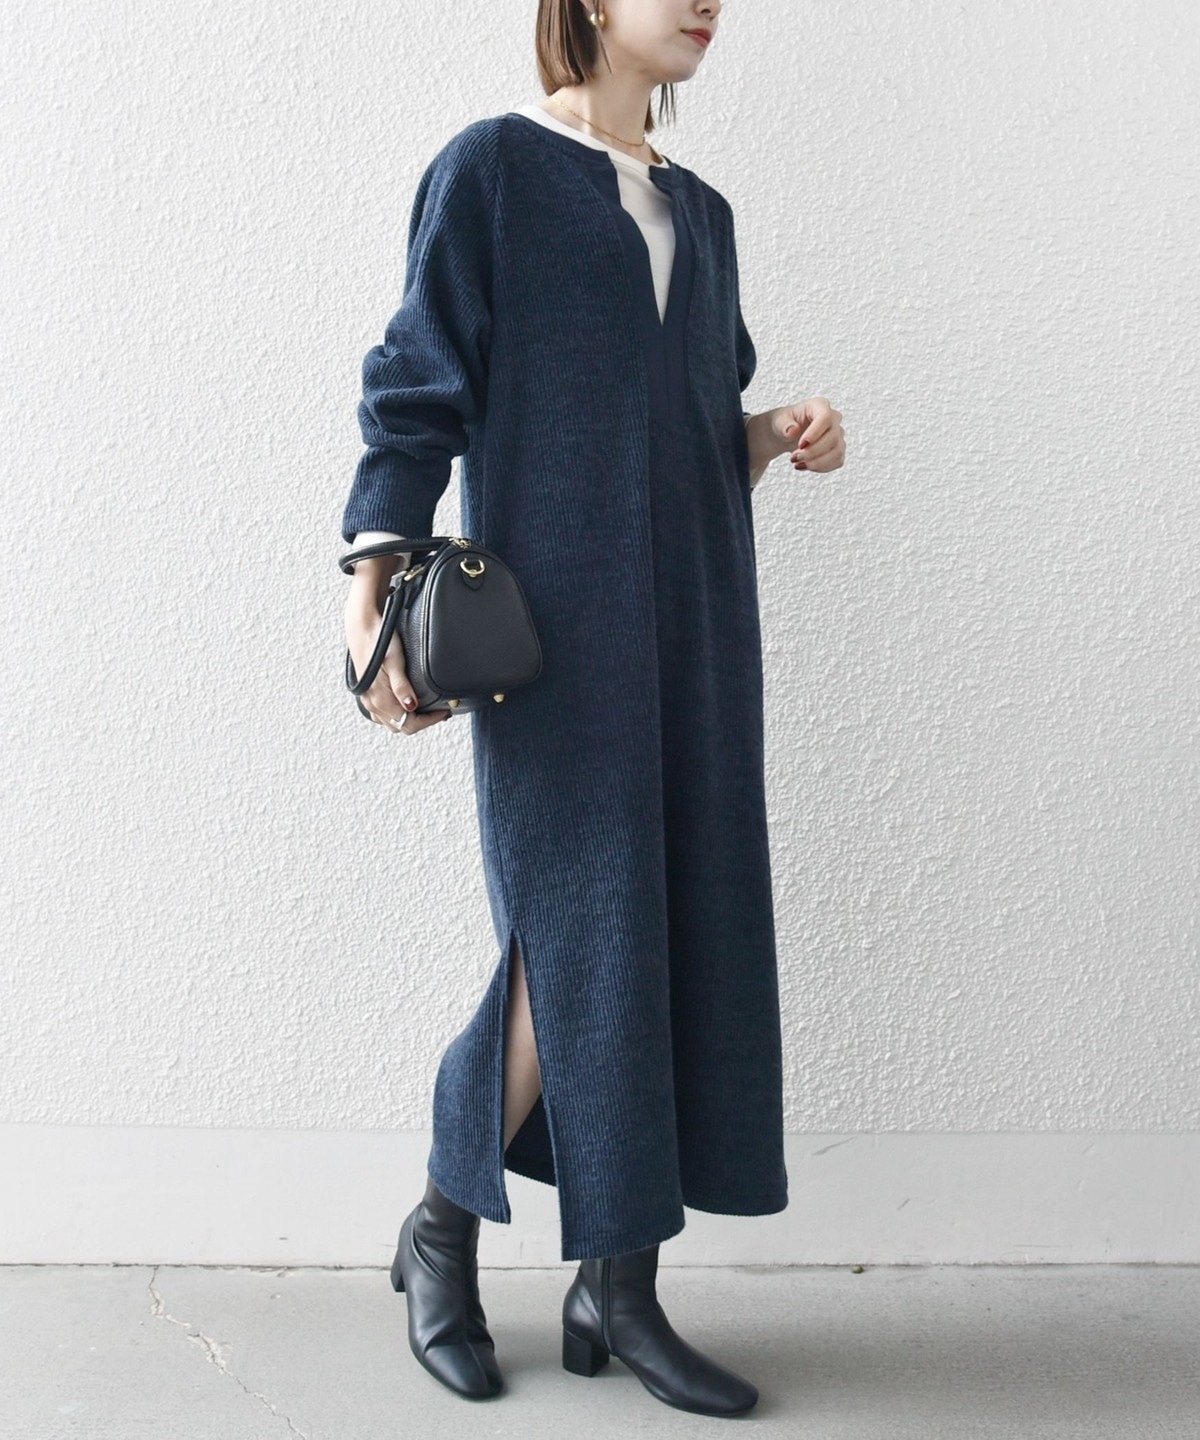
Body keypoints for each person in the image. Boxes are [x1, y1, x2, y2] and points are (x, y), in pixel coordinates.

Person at [339, 0, 846, 1417]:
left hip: (699, 626)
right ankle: (442, 1228)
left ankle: (617, 1289)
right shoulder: (494, 169)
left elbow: (685, 436)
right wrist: (366, 601)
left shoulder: (706, 215)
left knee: (677, 926)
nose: (704, 2)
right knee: (578, 944)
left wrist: (772, 436)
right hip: (553, 645)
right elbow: (416, 392)